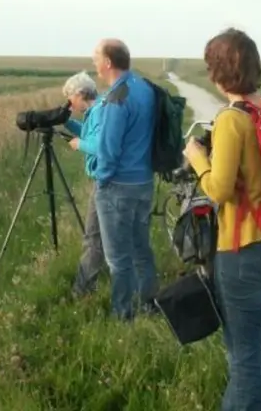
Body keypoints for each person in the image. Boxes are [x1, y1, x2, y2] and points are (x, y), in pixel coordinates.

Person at [184, 28, 261, 411]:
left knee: (243, 354)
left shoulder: (231, 119)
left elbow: (219, 189)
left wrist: (197, 157)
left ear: (217, 72)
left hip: (240, 246)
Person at [91, 38, 158, 321]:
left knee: (118, 258)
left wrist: (101, 179)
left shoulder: (116, 97)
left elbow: (109, 149)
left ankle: (123, 316)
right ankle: (150, 304)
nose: (94, 63)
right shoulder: (145, 88)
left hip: (118, 186)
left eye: (96, 58)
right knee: (141, 248)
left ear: (108, 62)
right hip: (144, 182)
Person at [61, 71, 105, 298]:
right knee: (102, 236)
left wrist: (79, 145)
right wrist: (67, 123)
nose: (70, 103)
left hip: (104, 181)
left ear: (80, 94)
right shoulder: (97, 110)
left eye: (70, 98)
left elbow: (99, 146)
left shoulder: (98, 113)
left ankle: (82, 290)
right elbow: (89, 134)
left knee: (93, 236)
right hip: (109, 180)